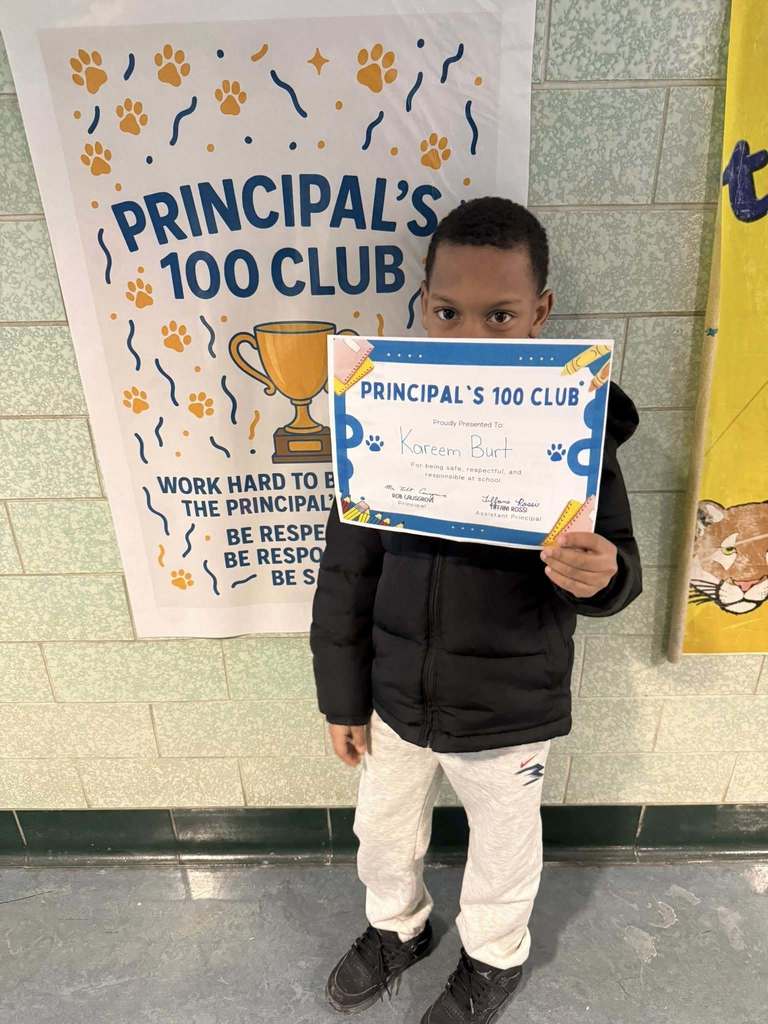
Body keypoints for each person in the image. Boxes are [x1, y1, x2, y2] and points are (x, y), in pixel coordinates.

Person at [310, 196, 642, 1023]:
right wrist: (341, 697)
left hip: (509, 703)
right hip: (394, 695)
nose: (469, 336)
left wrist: (599, 575)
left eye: (499, 316)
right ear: (422, 305)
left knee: (504, 843)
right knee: (381, 830)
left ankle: (496, 955)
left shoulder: (577, 432)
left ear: (541, 313)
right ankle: (397, 929)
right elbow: (345, 574)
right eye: (447, 312)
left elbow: (620, 571)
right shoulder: (380, 417)